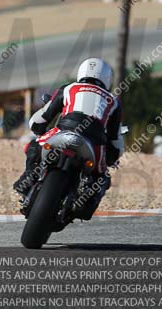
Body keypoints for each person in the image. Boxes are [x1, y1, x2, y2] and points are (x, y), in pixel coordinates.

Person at [13, 58, 123, 215]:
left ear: (81, 72)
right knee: (102, 177)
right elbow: (115, 140)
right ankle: (86, 200)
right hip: (93, 144)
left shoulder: (69, 88)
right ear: (107, 79)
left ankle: (29, 177)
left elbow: (39, 119)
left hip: (63, 131)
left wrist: (40, 130)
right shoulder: (113, 102)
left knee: (33, 146)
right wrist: (111, 158)